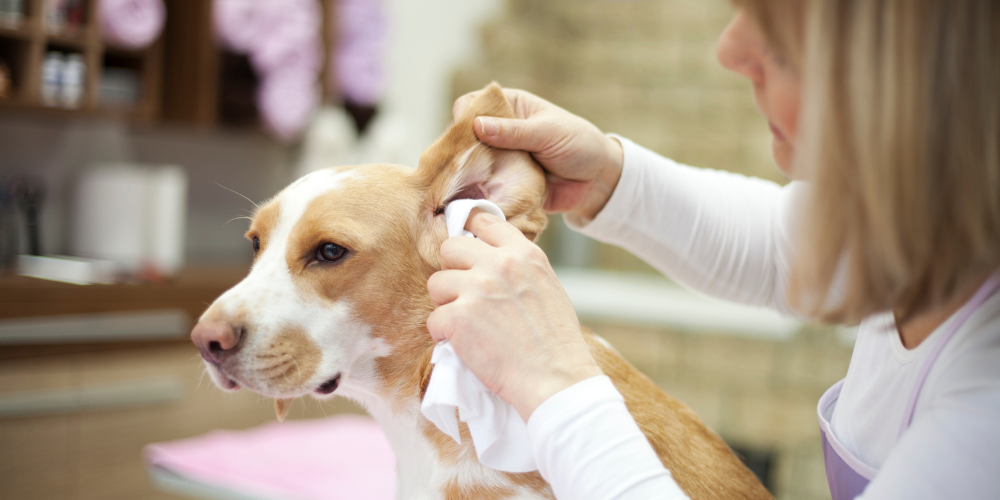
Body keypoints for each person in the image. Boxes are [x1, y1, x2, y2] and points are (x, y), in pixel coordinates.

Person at [425, 1, 1000, 499]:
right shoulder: (928, 225)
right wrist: (604, 175)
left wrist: (552, 380)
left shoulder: (985, 407)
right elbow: (779, 246)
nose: (730, 50)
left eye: (780, 43)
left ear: (916, 85)